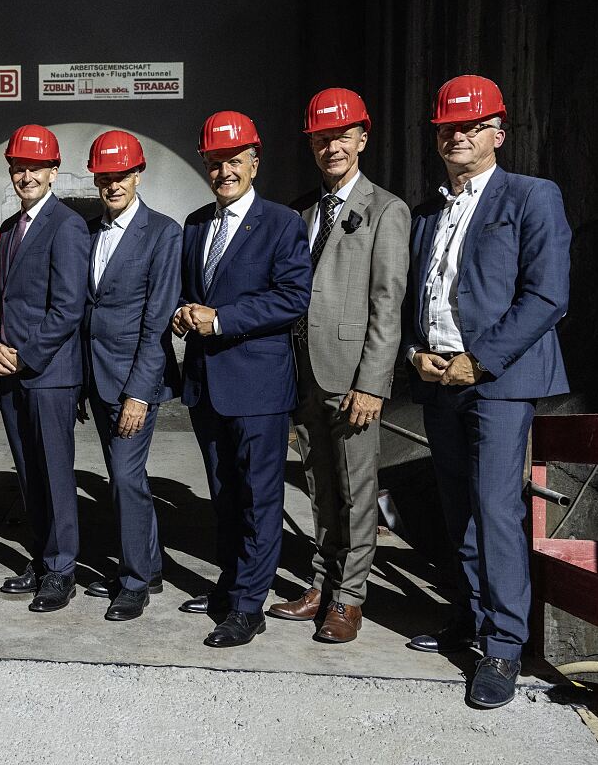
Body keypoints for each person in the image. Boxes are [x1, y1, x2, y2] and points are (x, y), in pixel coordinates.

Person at [403, 75, 570, 709]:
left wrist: (481, 360)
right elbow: (421, 295)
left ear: (497, 133)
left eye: (470, 126)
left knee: (496, 506)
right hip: (438, 376)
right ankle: (472, 618)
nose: (457, 135)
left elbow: (547, 295)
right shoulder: (429, 212)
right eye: (448, 127)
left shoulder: (530, 197)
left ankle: (505, 645)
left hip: (498, 379)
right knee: (457, 508)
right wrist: (415, 352)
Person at [270, 89, 409, 642]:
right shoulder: (302, 210)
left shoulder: (386, 210)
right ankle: (321, 584)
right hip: (304, 374)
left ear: (362, 139)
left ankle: (350, 599)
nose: (332, 146)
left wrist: (373, 384)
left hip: (352, 377)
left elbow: (387, 305)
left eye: (341, 135)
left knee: (357, 490)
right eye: (321, 137)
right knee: (320, 486)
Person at [174, 111, 312, 647]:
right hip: (208, 383)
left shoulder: (281, 223)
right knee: (224, 495)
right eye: (214, 162)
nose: (224, 171)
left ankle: (250, 605)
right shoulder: (194, 223)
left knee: (259, 497)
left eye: (234, 160)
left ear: (255, 162)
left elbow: (291, 298)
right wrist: (184, 313)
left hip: (257, 386)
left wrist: (222, 319)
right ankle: (230, 586)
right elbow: (191, 292)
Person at [77, 130, 181, 621]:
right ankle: (150, 565)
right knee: (126, 476)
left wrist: (141, 393)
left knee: (124, 476)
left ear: (138, 174)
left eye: (121, 175)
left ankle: (135, 580)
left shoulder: (163, 233)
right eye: (105, 176)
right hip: (97, 378)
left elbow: (157, 322)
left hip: (134, 380)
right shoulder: (90, 231)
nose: (113, 184)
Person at [0, 124, 90, 612]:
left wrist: (24, 354)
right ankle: (42, 554)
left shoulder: (68, 226)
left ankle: (62, 568)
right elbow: (0, 301)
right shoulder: (10, 229)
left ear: (53, 171)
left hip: (48, 372)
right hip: (10, 370)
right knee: (29, 473)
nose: (26, 175)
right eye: (19, 167)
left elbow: (69, 309)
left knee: (53, 471)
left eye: (35, 167)